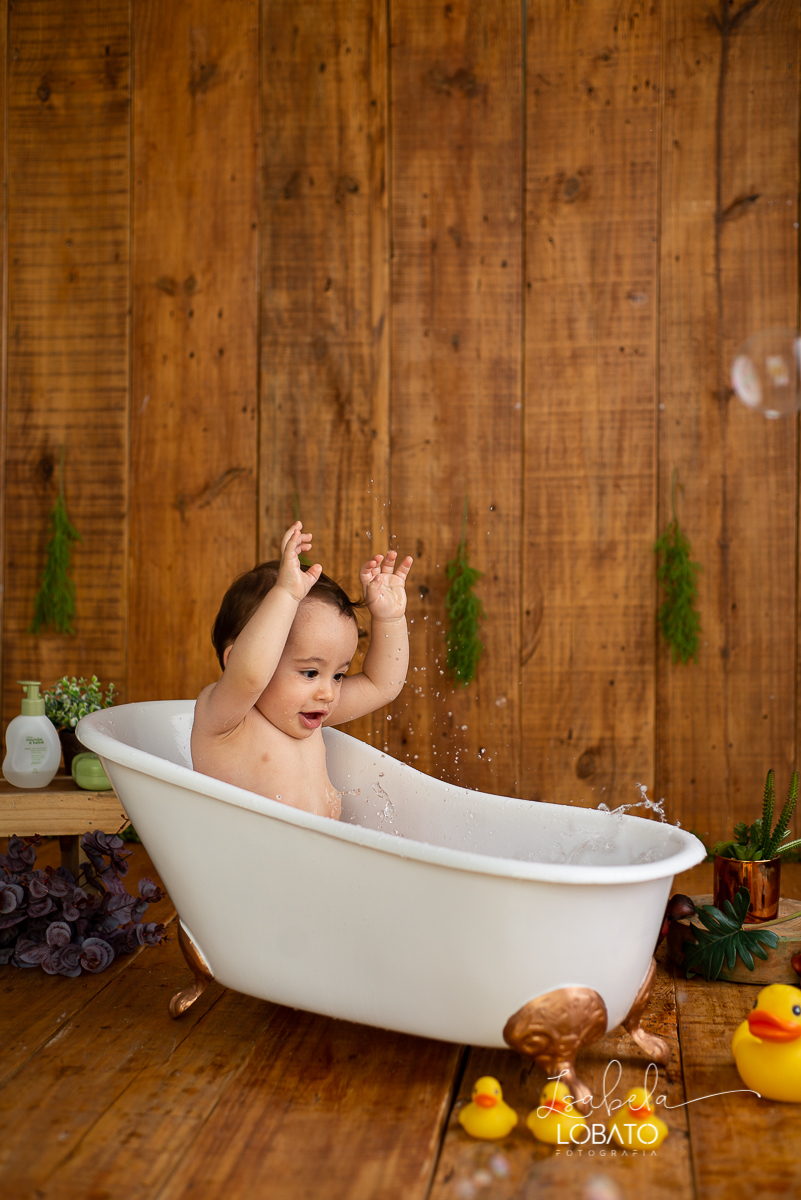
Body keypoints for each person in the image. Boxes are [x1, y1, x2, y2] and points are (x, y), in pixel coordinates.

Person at [191, 522, 413, 820]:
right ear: (236, 658)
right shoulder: (225, 721)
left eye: (338, 675)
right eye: (310, 672)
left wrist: (389, 620)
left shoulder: (306, 712)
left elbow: (382, 684)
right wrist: (286, 594)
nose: (328, 692)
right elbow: (251, 676)